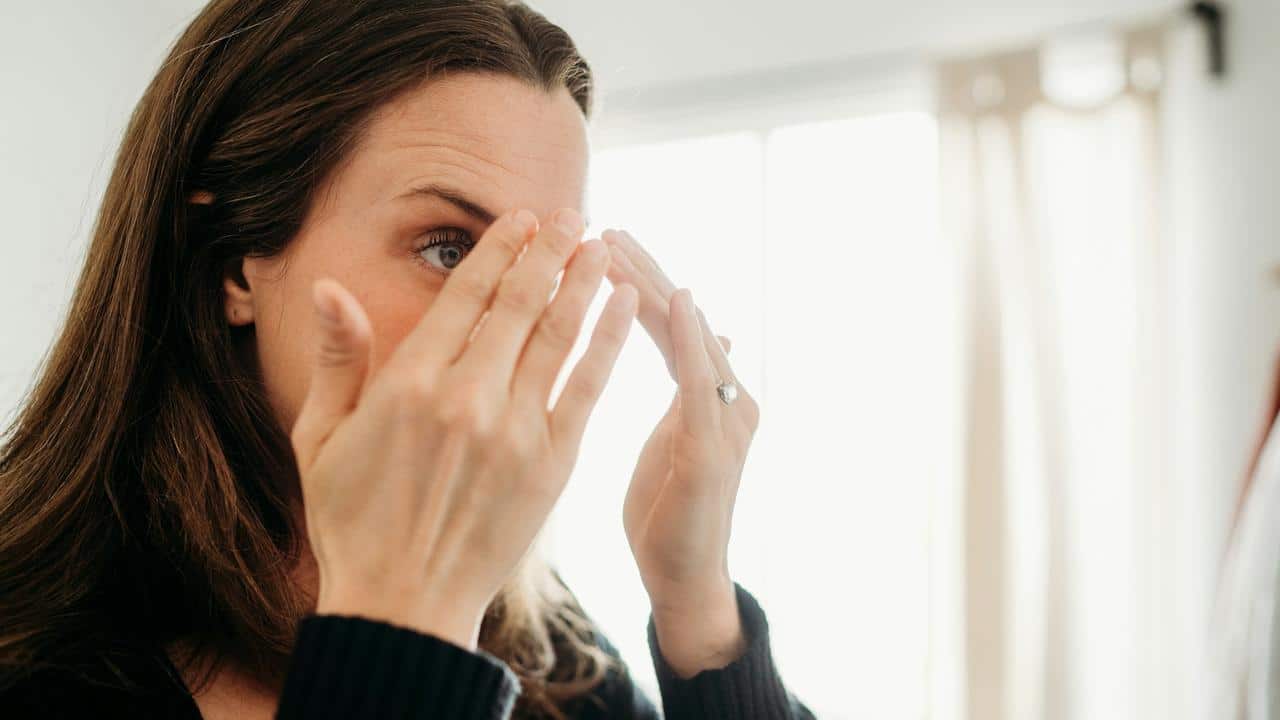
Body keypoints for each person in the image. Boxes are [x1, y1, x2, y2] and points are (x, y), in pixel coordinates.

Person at [0, 1, 815, 718]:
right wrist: (405, 630)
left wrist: (696, 602)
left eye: (546, 268)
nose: (518, 320)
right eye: (451, 250)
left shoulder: (546, 649)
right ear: (229, 262)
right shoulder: (37, 662)